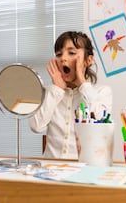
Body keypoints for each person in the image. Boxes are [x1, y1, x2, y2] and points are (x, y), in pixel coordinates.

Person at [29, 31, 112, 159]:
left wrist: (83, 84)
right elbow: (36, 126)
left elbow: (100, 121)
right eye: (58, 54)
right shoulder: (50, 92)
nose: (63, 58)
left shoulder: (101, 92)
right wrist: (57, 90)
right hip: (50, 169)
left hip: (83, 170)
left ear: (88, 60)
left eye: (71, 53)